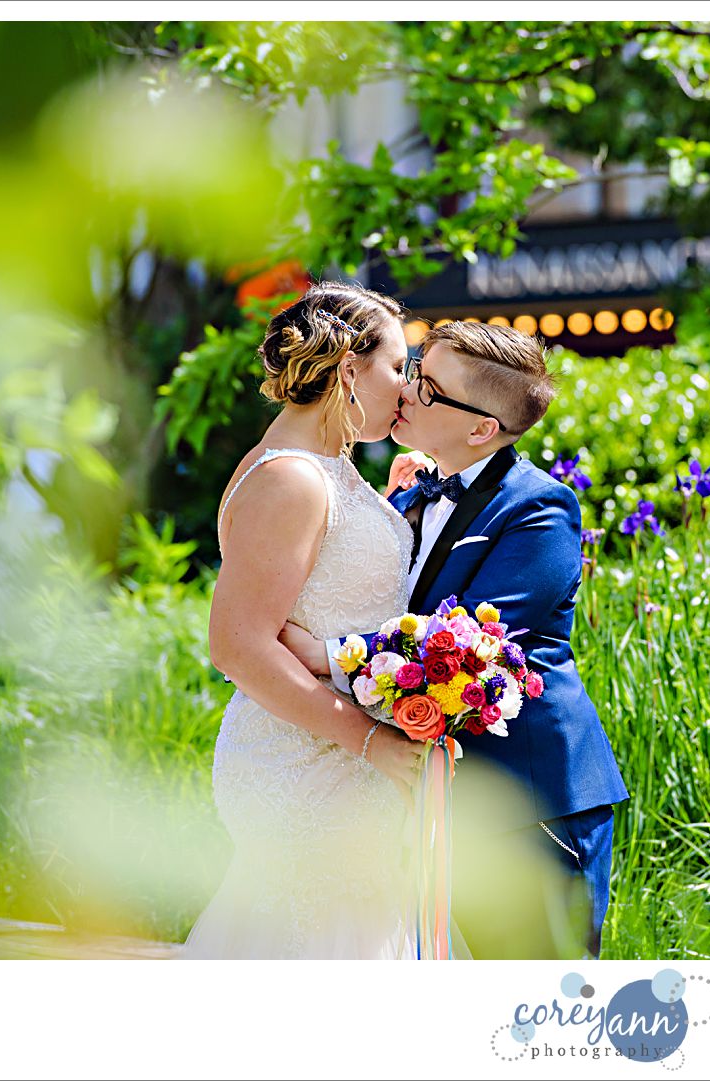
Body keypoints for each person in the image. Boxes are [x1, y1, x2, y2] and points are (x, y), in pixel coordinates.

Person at [280, 319, 629, 958]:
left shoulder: (538, 510)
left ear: (480, 429)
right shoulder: (412, 494)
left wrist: (326, 654)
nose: (407, 392)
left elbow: (467, 640)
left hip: (531, 804)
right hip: (434, 799)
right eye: (414, 372)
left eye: (431, 388)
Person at [182, 281, 448, 959]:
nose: (408, 387)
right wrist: (369, 741)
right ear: (349, 369)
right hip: (305, 760)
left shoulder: (326, 468)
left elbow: (328, 580)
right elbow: (237, 645)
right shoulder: (292, 479)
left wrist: (389, 507)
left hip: (338, 758)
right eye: (398, 367)